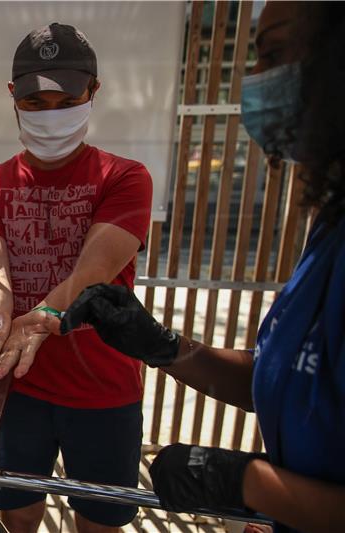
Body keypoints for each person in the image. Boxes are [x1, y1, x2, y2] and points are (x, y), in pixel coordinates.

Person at [50, 2, 345, 533]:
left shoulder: (126, 176)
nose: (253, 81)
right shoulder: (331, 227)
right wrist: (166, 346)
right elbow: (289, 379)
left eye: (274, 54)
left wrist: (246, 483)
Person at [0, 23, 153, 533]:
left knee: (99, 520)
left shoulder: (125, 177)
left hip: (103, 385)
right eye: (35, 103)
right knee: (18, 512)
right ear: (13, 97)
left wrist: (41, 318)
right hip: (18, 387)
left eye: (66, 100)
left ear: (92, 92)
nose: (51, 116)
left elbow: (94, 271)